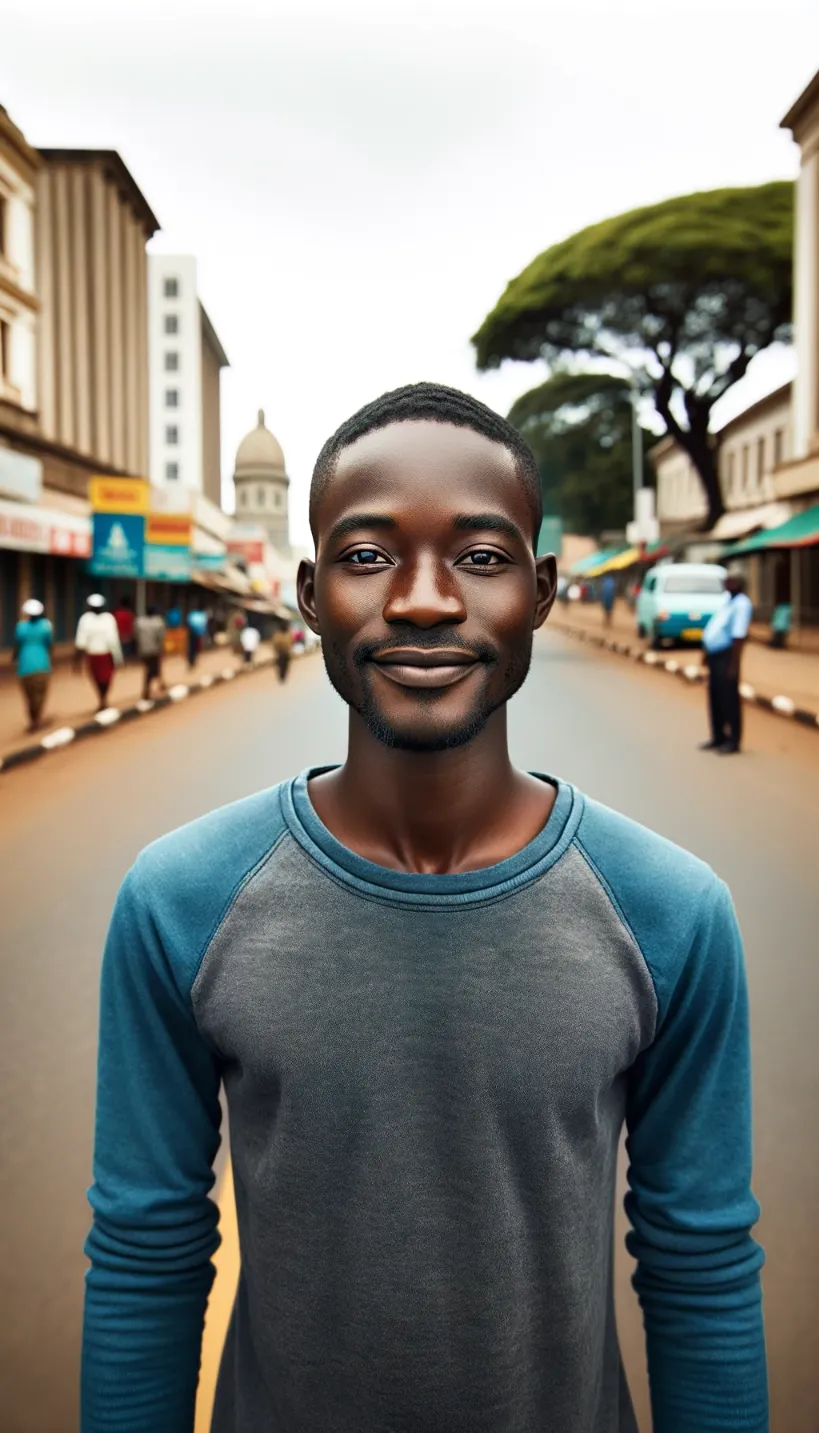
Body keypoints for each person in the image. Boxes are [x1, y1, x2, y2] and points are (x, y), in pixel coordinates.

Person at [82, 384, 767, 1433]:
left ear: (541, 589)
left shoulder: (671, 913)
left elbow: (701, 1264)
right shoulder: (180, 901)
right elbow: (145, 1252)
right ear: (309, 593)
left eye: (482, 558)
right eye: (366, 556)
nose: (423, 600)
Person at [699, 571, 754, 755]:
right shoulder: (727, 601)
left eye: (730, 581)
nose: (726, 583)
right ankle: (718, 736)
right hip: (715, 655)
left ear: (740, 583)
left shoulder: (742, 604)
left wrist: (734, 665)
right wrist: (706, 652)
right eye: (726, 580)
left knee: (729, 699)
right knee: (715, 697)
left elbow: (739, 637)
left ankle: (733, 741)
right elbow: (716, 628)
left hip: (727, 656)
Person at [74, 594, 123, 712]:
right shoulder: (86, 619)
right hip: (95, 654)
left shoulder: (107, 618)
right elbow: (81, 641)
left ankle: (103, 698)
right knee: (98, 678)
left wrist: (117, 657)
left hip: (104, 654)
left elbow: (113, 640)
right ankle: (102, 698)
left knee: (105, 678)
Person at [14, 598, 53, 733]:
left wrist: (15, 658)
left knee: (29, 695)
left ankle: (33, 720)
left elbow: (17, 646)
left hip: (24, 665)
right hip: (42, 664)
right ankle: (37, 719)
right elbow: (49, 644)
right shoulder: (46, 626)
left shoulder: (21, 627)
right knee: (40, 694)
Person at [134, 605, 166, 700]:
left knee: (149, 668)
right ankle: (148, 688)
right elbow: (161, 637)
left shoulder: (139, 622)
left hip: (143, 650)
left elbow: (135, 635)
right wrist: (161, 649)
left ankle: (159, 683)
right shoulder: (158, 622)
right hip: (154, 650)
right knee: (152, 669)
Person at [113, 595, 136, 662]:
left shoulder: (116, 613)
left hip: (118, 635)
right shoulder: (130, 614)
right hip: (127, 636)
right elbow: (132, 625)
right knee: (126, 653)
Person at [186, 602, 208, 668]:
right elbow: (203, 625)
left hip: (192, 633)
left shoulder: (192, 614)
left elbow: (188, 623)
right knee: (195, 649)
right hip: (197, 634)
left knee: (191, 648)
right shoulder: (202, 615)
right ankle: (193, 661)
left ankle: (191, 661)